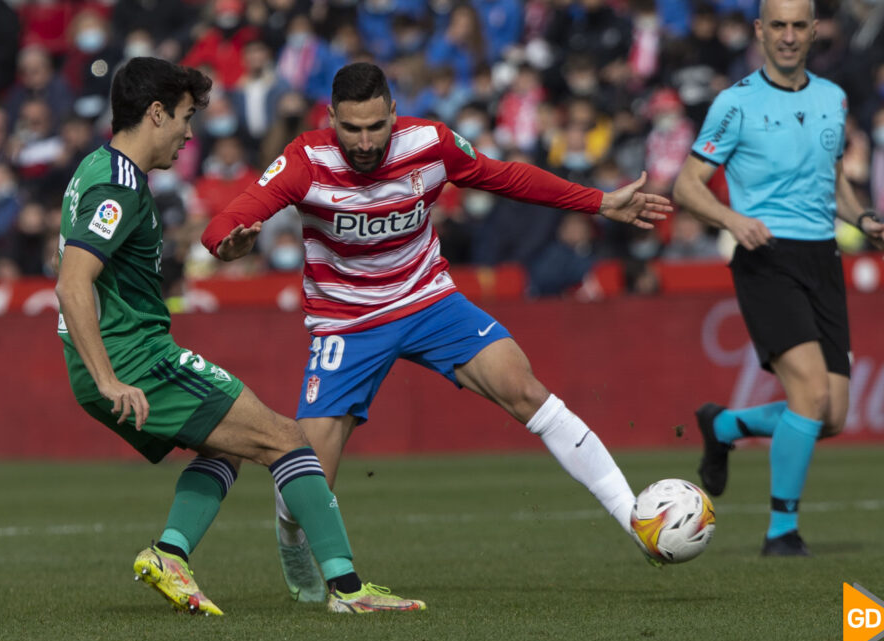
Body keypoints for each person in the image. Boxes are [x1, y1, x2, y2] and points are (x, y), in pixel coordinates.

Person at [202, 62, 672, 603]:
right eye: (350, 128)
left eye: (375, 127)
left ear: (394, 114)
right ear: (330, 118)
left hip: (429, 301)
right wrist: (227, 245)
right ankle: (290, 537)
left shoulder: (430, 143)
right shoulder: (304, 161)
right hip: (346, 322)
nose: (363, 141)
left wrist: (597, 200)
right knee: (305, 475)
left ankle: (634, 518)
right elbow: (226, 221)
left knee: (525, 389)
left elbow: (508, 177)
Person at [55, 57, 424, 615]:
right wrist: (109, 378)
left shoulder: (96, 168)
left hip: (121, 354)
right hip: (134, 358)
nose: (187, 132)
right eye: (183, 116)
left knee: (224, 448)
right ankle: (348, 591)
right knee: (288, 440)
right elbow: (72, 283)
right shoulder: (119, 186)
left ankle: (169, 553)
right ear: (155, 113)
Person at [672, 0, 884, 556]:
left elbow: (834, 177)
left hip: (822, 259)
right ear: (760, 31)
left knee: (833, 417)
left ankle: (724, 427)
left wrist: (863, 218)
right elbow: (686, 186)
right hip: (765, 256)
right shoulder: (735, 103)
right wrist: (732, 220)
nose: (789, 36)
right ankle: (781, 532)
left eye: (800, 25)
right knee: (811, 394)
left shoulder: (832, 98)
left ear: (815, 30)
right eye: (779, 26)